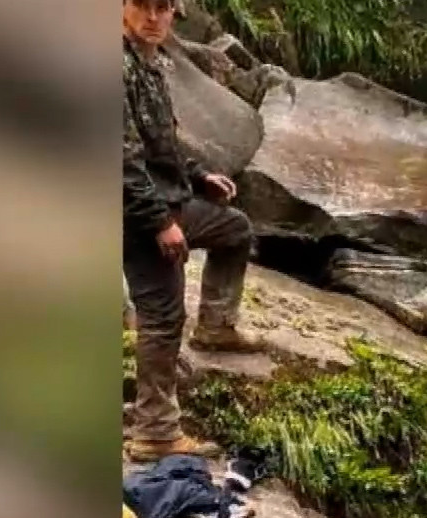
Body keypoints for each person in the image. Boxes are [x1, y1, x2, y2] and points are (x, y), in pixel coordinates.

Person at [123, 0, 264, 463]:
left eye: (162, 8)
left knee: (235, 229)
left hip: (165, 200)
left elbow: (160, 142)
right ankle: (155, 431)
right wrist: (161, 224)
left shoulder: (149, 64)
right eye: (141, 6)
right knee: (162, 316)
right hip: (134, 215)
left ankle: (217, 326)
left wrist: (200, 175)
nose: (152, 17)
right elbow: (121, 163)